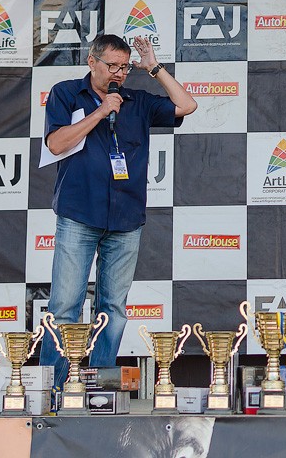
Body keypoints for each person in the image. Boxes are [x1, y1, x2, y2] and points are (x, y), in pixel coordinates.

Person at [39, 34, 197, 391]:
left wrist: (154, 67)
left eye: (125, 67)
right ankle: (51, 390)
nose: (119, 73)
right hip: (79, 213)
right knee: (64, 305)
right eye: (112, 65)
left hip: (126, 218)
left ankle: (98, 388)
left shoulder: (137, 101)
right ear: (91, 61)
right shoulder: (66, 93)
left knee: (113, 308)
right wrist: (100, 111)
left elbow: (187, 105)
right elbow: (56, 143)